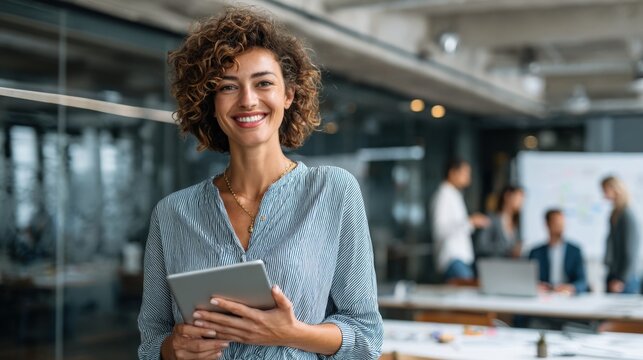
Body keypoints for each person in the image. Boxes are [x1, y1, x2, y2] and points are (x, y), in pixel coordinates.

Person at [137, 7, 383, 360]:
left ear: (288, 95)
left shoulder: (333, 192)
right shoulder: (173, 213)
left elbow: (366, 338)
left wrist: (293, 333)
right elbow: (149, 343)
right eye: (228, 87)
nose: (248, 100)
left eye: (263, 83)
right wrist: (173, 349)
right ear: (211, 102)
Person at [430, 159, 489, 283]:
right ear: (452, 173)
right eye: (465, 173)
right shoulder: (443, 196)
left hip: (460, 259)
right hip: (453, 259)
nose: (468, 178)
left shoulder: (453, 194)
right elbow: (440, 230)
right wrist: (470, 222)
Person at [528, 209, 588, 295]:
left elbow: (582, 282)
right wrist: (535, 286)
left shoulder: (575, 251)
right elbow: (528, 280)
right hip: (544, 296)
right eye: (557, 223)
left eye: (562, 223)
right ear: (547, 225)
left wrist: (571, 288)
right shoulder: (536, 252)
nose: (561, 226)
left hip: (567, 296)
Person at [601, 176, 641, 294]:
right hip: (614, 273)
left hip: (624, 278)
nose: (604, 194)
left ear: (616, 189)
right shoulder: (615, 214)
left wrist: (622, 279)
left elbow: (631, 251)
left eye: (605, 190)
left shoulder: (627, 215)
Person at [476, 185, 524, 259]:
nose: (521, 202)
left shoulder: (516, 226)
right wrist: (507, 250)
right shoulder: (492, 219)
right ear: (507, 196)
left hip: (508, 267)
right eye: (519, 198)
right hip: (492, 265)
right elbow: (481, 246)